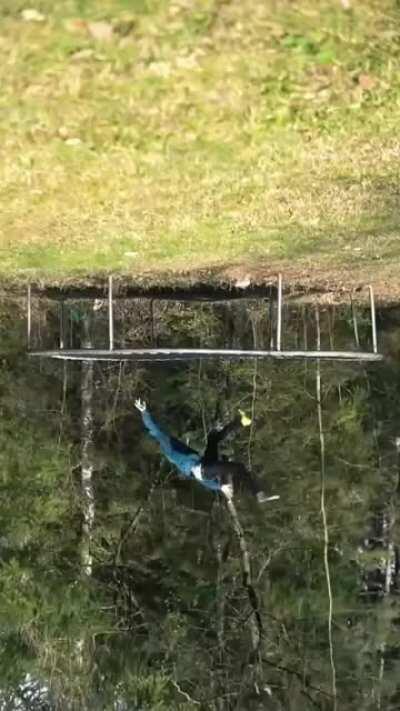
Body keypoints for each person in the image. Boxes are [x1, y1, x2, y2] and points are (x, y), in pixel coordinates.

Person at [135, 399, 279, 504]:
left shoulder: (176, 446)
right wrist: (144, 412)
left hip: (205, 464)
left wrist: (220, 486)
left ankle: (242, 421)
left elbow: (201, 480)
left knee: (213, 438)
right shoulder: (170, 450)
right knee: (239, 468)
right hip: (206, 469)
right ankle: (259, 494)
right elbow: (155, 430)